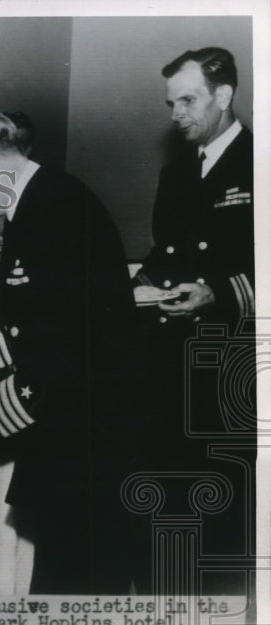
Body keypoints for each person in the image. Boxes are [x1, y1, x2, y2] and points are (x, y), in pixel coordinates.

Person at [0, 110, 144, 594]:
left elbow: (62, 360)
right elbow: (38, 327)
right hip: (74, 438)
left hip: (85, 445)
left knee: (76, 590)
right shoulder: (37, 202)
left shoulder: (55, 214)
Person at [133, 47, 254, 595]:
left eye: (188, 100)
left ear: (223, 96)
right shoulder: (177, 171)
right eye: (170, 103)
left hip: (234, 363)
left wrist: (219, 293)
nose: (175, 114)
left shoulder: (259, 162)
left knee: (223, 506)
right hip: (171, 360)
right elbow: (167, 252)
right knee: (169, 493)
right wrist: (132, 284)